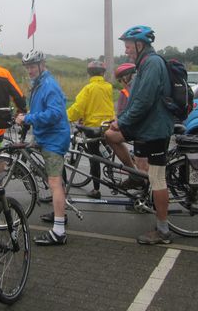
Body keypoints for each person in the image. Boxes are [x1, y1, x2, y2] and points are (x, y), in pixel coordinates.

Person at [105, 25, 175, 245]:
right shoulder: (143, 64)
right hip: (146, 126)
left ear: (140, 44)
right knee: (109, 135)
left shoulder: (152, 64)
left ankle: (163, 230)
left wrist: (123, 122)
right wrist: (119, 120)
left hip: (154, 130)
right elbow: (135, 99)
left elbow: (144, 101)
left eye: (128, 46)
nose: (126, 51)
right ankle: (135, 175)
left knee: (157, 178)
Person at [15, 50, 70, 246]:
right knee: (54, 179)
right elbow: (41, 109)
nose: (29, 70)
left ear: (42, 65)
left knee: (54, 183)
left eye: (32, 66)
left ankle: (59, 231)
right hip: (45, 136)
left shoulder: (48, 85)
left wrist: (28, 118)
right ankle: (60, 212)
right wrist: (26, 115)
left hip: (54, 140)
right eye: (27, 67)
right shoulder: (39, 84)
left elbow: (55, 114)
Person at [66, 60, 115, 199]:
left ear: (89, 73)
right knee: (107, 153)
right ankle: (111, 171)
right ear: (103, 73)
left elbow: (77, 108)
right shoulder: (109, 87)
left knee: (94, 160)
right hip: (108, 125)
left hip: (93, 127)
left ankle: (96, 189)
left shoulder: (88, 88)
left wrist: (65, 117)